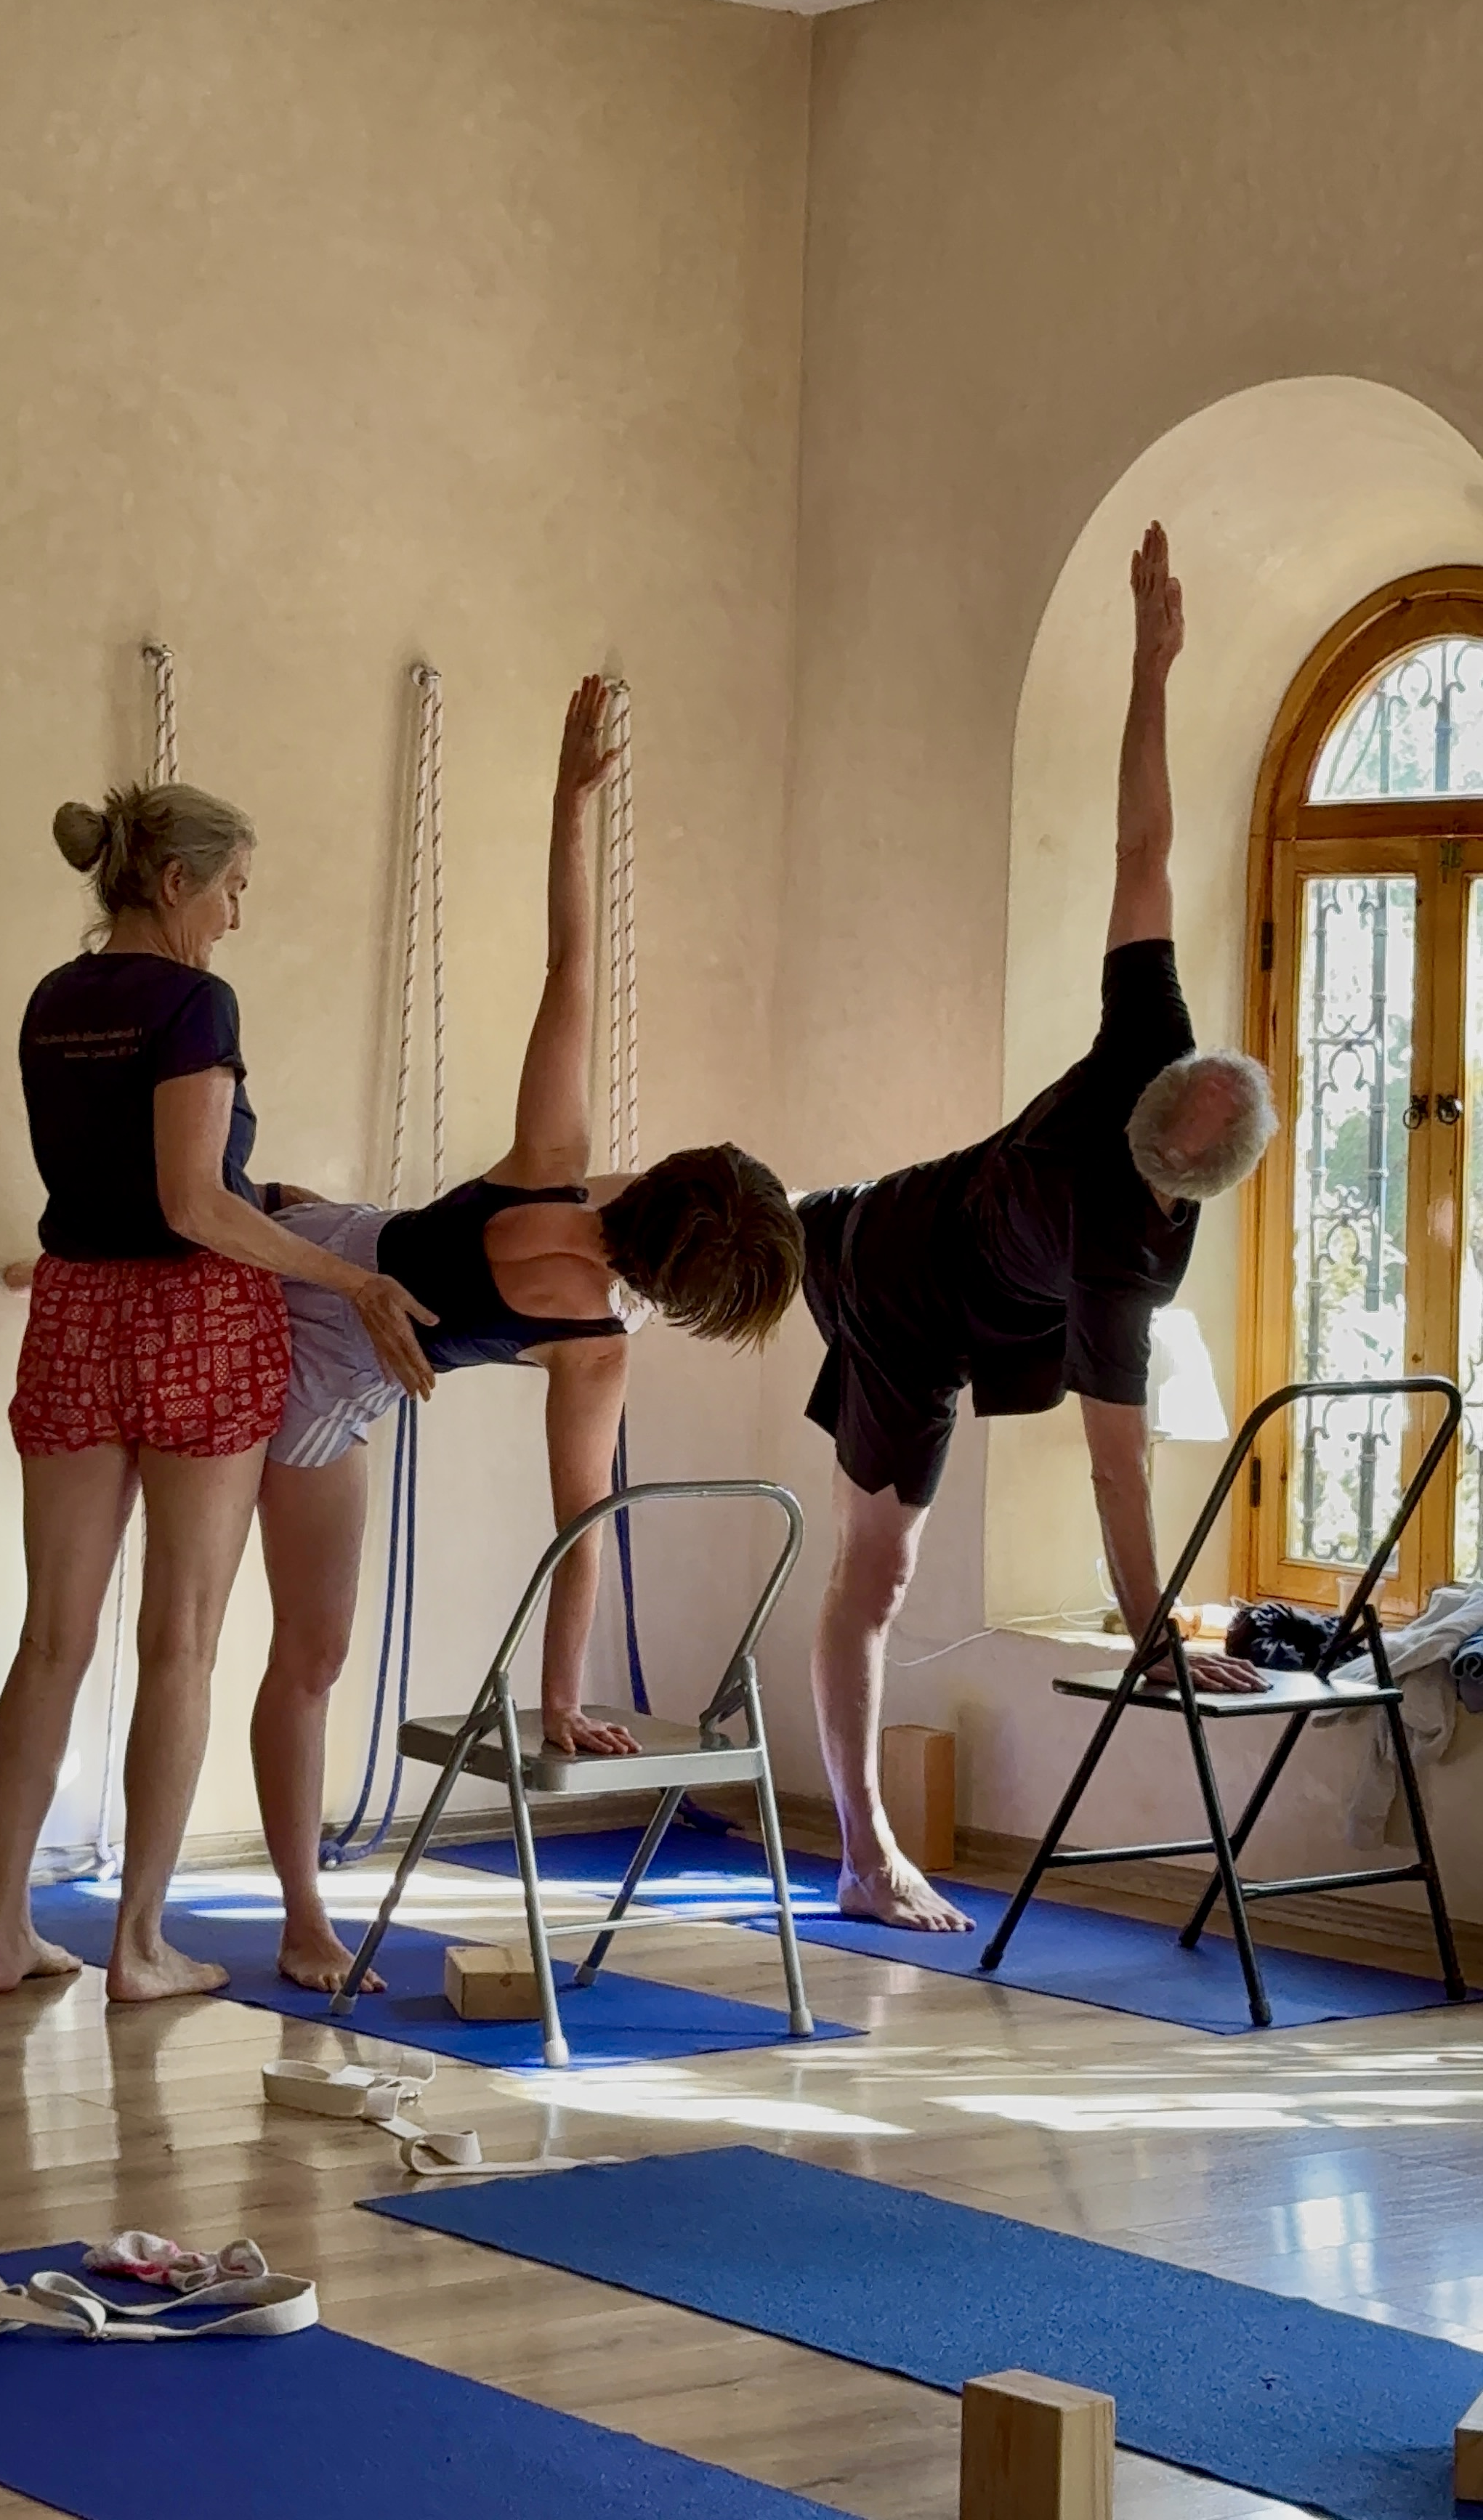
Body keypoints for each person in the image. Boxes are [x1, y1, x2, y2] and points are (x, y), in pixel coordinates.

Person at [252, 676, 805, 1991]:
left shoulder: (556, 1166)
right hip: (318, 1354)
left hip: (326, 1277)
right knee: (309, 1654)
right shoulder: (592, 1343)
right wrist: (563, 1700)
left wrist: (570, 805)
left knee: (307, 1646)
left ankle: (300, 1912)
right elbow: (583, 1534)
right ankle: (302, 1921)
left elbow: (570, 964)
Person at [798, 524, 1279, 1934]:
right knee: (874, 1580)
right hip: (891, 1283)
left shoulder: (1144, 1114)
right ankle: (862, 1856)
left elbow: (1145, 839)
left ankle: (858, 1849)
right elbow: (1121, 1481)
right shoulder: (1124, 1216)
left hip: (903, 1251)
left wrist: (1153, 657)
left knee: (864, 1567)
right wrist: (1153, 1642)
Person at [0, 782, 432, 2002]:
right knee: (178, 1640)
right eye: (231, 886)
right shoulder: (193, 1000)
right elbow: (194, 1204)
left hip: (76, 1313)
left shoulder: (54, 1000)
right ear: (175, 882)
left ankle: (7, 1931)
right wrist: (352, 1276)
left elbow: (110, 1186)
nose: (236, 914)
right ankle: (137, 1947)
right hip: (191, 1318)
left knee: (49, 1638)